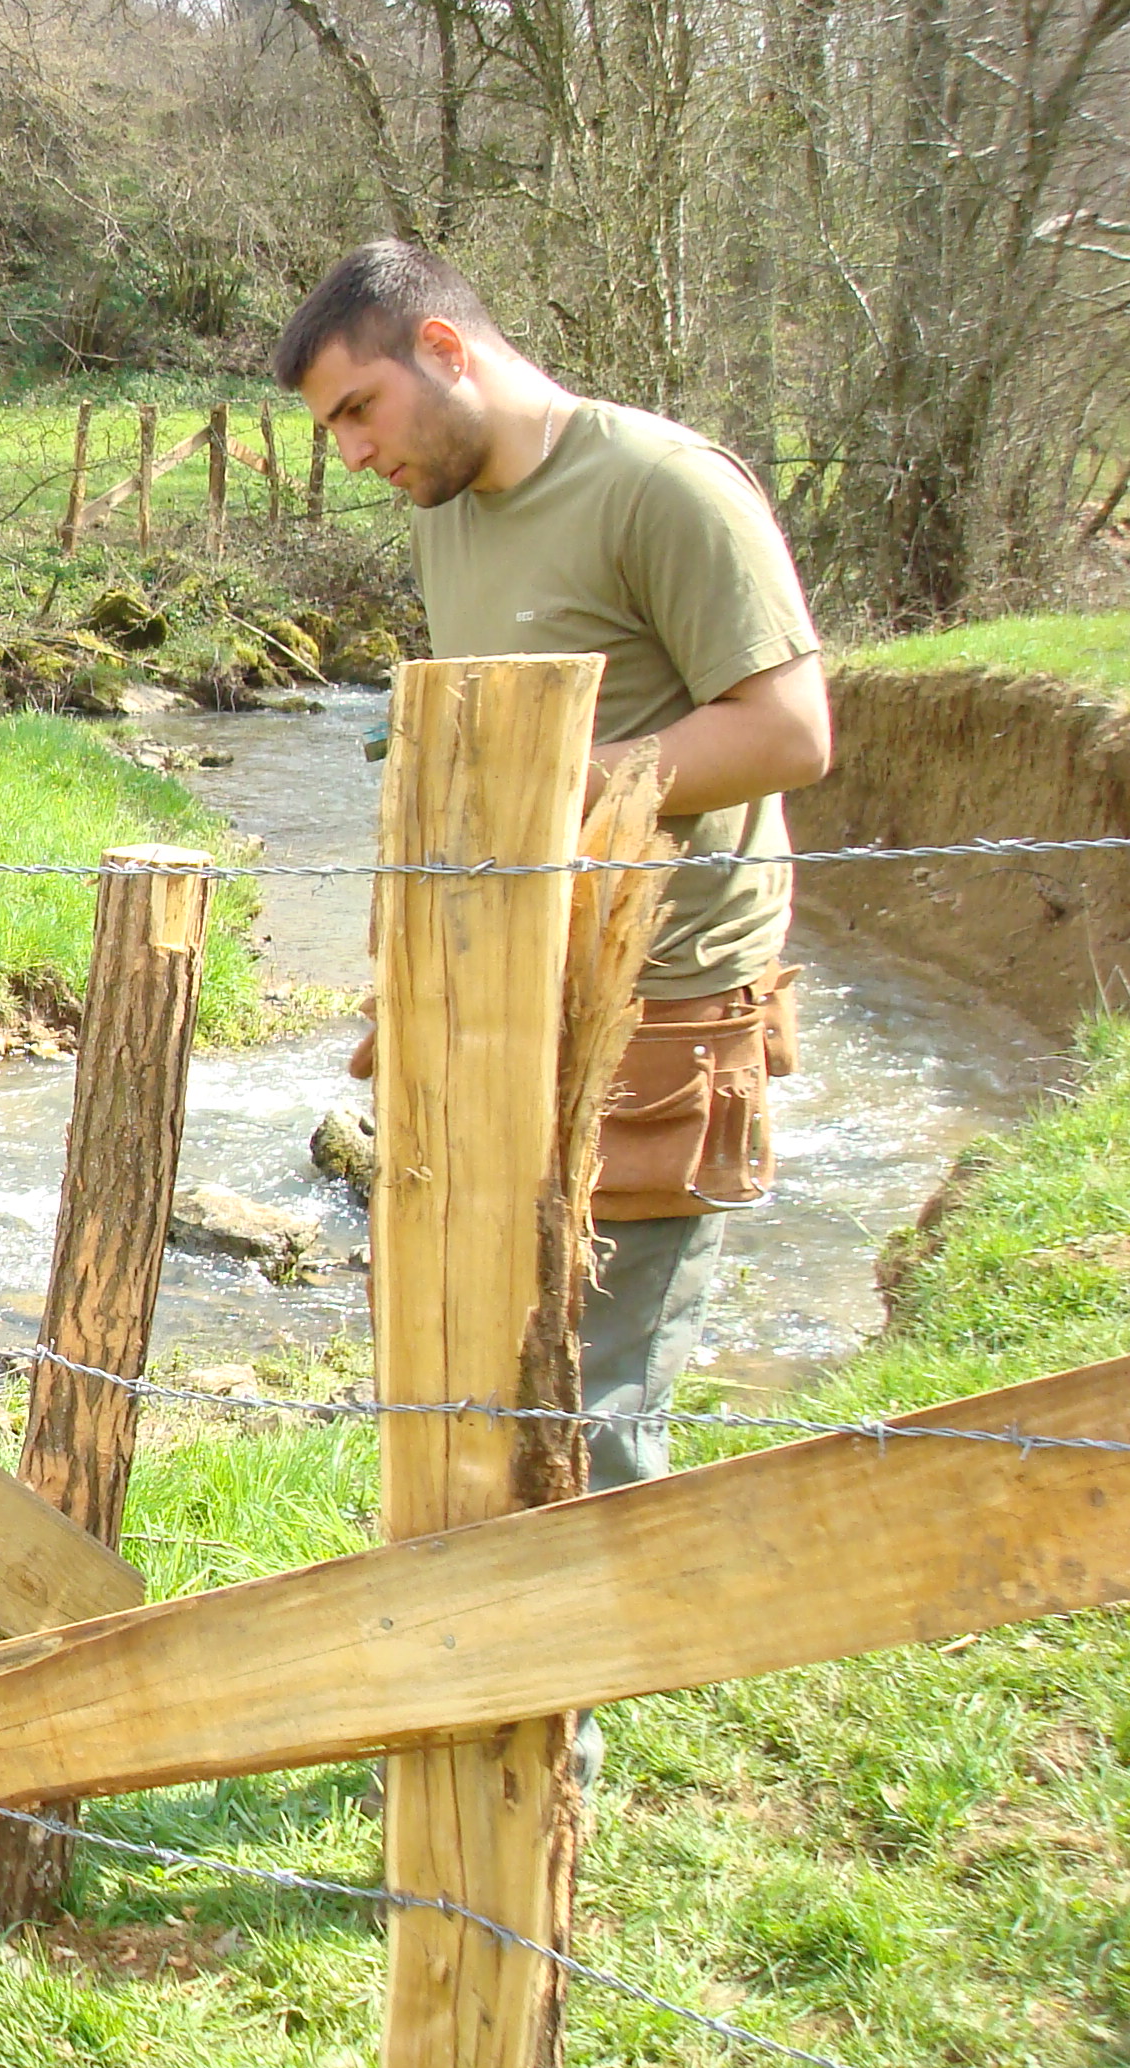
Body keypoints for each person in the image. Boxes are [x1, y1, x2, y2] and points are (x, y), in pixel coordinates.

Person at [277, 240, 833, 1503]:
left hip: (665, 1007)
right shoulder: (450, 517)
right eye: (332, 431)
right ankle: (513, 1681)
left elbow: (792, 733)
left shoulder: (665, 487)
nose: (354, 454)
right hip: (503, 999)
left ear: (446, 349)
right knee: (480, 1366)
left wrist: (542, 784)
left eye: (358, 410)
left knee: (599, 1396)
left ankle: (579, 1695)